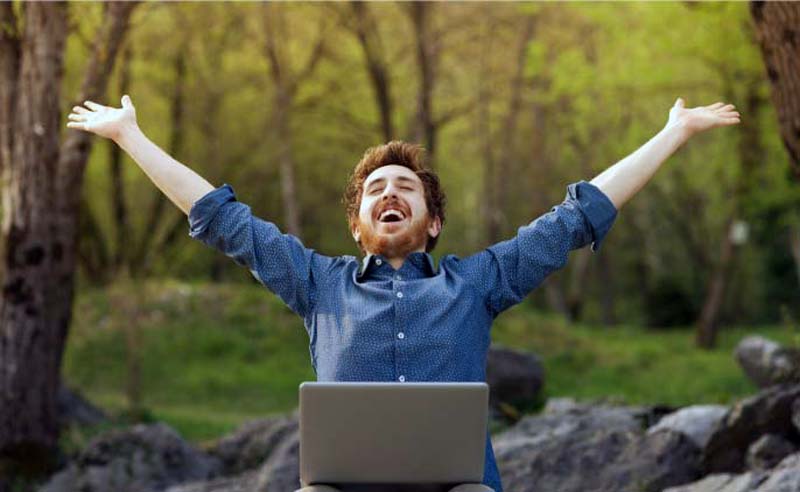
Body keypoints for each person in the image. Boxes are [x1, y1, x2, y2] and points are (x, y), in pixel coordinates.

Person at [67, 95, 740, 492]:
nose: (390, 194)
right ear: (357, 225)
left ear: (433, 220)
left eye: (406, 188)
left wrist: (673, 132)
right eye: (374, 192)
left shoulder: (477, 283)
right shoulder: (317, 284)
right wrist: (130, 136)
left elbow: (578, 217)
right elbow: (221, 217)